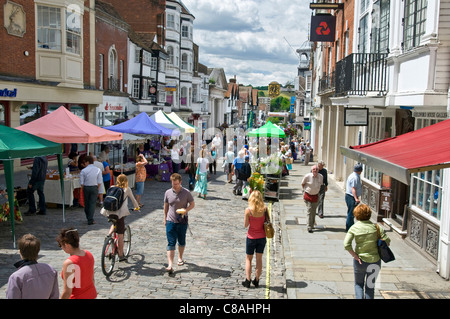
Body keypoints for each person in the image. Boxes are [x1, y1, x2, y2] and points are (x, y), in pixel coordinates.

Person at [344, 204, 391, 299]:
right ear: (369, 214)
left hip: (360, 261)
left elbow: (346, 244)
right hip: (375, 261)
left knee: (358, 284)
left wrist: (354, 255)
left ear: (356, 215)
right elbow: (387, 242)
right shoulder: (377, 227)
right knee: (370, 287)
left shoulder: (354, 227)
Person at [100, 174, 140, 262]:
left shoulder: (112, 187)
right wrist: (137, 207)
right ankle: (121, 255)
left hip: (109, 211)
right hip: (119, 213)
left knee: (113, 223)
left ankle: (109, 235)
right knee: (120, 234)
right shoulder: (127, 189)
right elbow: (133, 200)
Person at [6, 234, 59, 299]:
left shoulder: (16, 277)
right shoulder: (51, 270)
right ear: (38, 251)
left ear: (20, 252)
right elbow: (54, 296)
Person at [164, 173, 195, 274]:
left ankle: (180, 257)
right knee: (171, 242)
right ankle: (170, 265)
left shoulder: (186, 192)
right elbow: (166, 206)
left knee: (181, 241)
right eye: (173, 184)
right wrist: (165, 218)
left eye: (176, 184)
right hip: (170, 220)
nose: (175, 186)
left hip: (182, 221)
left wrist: (186, 210)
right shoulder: (168, 192)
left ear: (180, 182)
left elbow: (192, 204)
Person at [56, 228, 97, 299]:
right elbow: (92, 280)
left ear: (67, 245)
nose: (61, 247)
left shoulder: (70, 263)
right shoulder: (88, 254)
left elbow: (67, 292)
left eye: (61, 245)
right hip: (91, 295)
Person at [243, 190, 267, 288]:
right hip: (262, 237)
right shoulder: (265, 209)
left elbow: (245, 225)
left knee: (248, 259)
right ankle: (256, 280)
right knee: (259, 259)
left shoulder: (248, 210)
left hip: (251, 237)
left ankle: (248, 280)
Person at [79, 156, 102, 225]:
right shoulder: (98, 170)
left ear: (87, 162)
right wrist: (97, 188)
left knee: (87, 203)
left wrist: (82, 188)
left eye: (85, 162)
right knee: (92, 203)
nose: (84, 164)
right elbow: (99, 181)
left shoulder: (84, 170)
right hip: (94, 187)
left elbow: (81, 183)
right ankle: (90, 218)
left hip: (86, 187)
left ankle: (89, 217)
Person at [301, 165, 323, 233]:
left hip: (316, 195)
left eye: (316, 169)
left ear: (318, 170)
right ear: (311, 170)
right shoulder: (307, 176)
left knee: (313, 211)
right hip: (308, 195)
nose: (315, 170)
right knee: (309, 210)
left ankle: (312, 224)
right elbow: (303, 183)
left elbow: (321, 185)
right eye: (314, 169)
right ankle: (309, 226)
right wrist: (305, 190)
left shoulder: (321, 176)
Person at [345, 163, 363, 231]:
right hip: (351, 197)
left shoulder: (353, 175)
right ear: (359, 171)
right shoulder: (355, 177)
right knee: (351, 213)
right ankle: (350, 228)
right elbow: (353, 188)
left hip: (350, 196)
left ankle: (350, 227)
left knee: (350, 212)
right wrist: (356, 198)